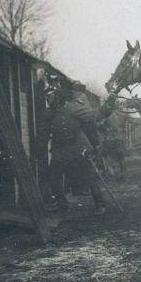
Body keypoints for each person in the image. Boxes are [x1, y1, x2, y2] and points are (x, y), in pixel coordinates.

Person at [45, 79, 112, 215]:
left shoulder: (73, 108)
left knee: (90, 176)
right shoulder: (48, 113)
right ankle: (62, 204)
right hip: (59, 150)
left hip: (77, 148)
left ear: (59, 96)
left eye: (52, 96)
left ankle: (100, 204)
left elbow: (96, 115)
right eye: (48, 97)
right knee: (53, 177)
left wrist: (109, 105)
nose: (50, 99)